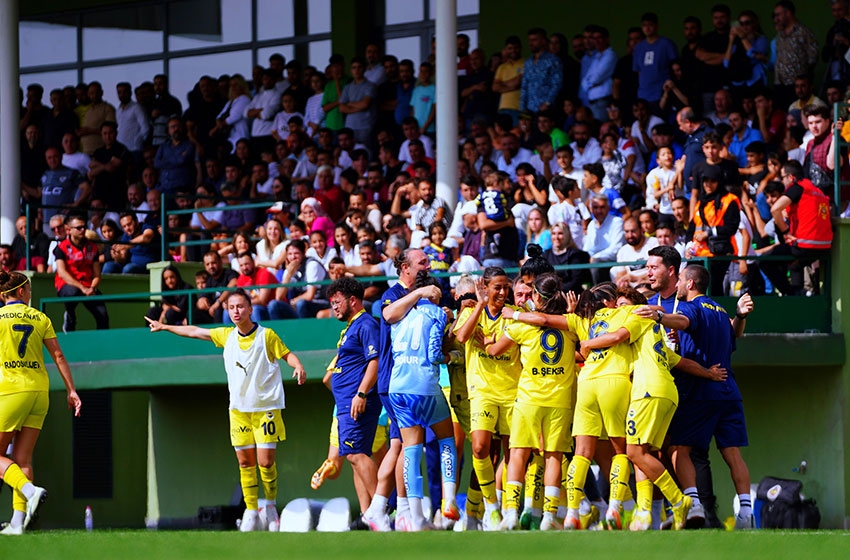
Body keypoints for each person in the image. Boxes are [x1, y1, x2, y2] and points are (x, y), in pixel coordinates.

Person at [146, 288, 307, 532]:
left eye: (240, 306)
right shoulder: (226, 335)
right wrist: (165, 327)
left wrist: (298, 366)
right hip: (239, 410)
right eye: (231, 307)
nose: (236, 311)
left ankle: (270, 506)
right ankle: (251, 511)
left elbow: (288, 355)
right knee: (245, 462)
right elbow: (195, 331)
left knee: (265, 462)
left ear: (250, 309)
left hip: (266, 409)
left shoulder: (267, 336)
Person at [584, 287, 727, 531]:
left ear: (638, 308)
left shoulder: (636, 320)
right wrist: (708, 373)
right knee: (645, 453)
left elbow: (616, 336)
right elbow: (680, 362)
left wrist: (587, 343)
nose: (619, 310)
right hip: (667, 392)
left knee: (634, 453)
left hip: (647, 391)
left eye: (623, 305)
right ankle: (645, 512)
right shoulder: (653, 331)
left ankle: (679, 501)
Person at [640, 264, 756, 529]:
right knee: (733, 454)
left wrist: (659, 317)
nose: (678, 284)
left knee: (679, 449)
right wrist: (740, 315)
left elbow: (683, 321)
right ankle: (746, 514)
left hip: (700, 390)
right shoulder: (721, 311)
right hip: (729, 391)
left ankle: (693, 505)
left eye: (680, 280)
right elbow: (734, 334)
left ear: (690, 283)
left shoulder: (691, 307)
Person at [486, 273, 575, 531]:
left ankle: (511, 514)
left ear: (536, 295)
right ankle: (548, 517)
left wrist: (490, 342)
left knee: (518, 454)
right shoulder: (570, 324)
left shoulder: (521, 325)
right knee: (554, 457)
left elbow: (495, 351)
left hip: (529, 398)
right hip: (559, 400)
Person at [0, 271, 81, 535]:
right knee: (22, 459)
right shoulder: (40, 317)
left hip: (10, 390)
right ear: (21, 291)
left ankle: (29, 490)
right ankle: (17, 523)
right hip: (39, 390)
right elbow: (58, 356)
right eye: (29, 290)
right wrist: (71, 390)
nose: (30, 294)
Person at [388, 273, 459, 531]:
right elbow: (434, 354)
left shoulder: (400, 312)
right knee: (446, 439)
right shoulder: (437, 313)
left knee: (411, 450)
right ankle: (449, 501)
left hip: (398, 387)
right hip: (424, 385)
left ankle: (416, 518)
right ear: (434, 292)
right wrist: (453, 355)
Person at [453, 267, 521, 531]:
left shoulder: (513, 314)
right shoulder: (472, 311)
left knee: (512, 452)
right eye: (497, 287)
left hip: (512, 391)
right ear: (485, 287)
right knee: (480, 448)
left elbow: (503, 343)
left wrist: (491, 341)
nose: (503, 292)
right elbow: (461, 336)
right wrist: (480, 305)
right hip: (481, 391)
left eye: (506, 287)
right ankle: (491, 508)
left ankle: (510, 509)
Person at [326, 278, 381, 517]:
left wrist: (361, 393)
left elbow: (375, 362)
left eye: (337, 302)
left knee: (354, 454)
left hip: (357, 402)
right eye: (332, 303)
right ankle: (371, 513)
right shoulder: (350, 327)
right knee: (356, 455)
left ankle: (382, 509)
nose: (334, 307)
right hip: (346, 403)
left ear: (353, 300)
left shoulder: (366, 324)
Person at [54, 214, 108, 332]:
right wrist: (82, 288)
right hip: (67, 285)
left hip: (88, 285)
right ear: (69, 230)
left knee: (102, 314)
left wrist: (92, 288)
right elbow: (62, 273)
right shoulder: (61, 248)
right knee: (72, 292)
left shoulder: (92, 247)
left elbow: (97, 273)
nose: (83, 230)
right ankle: (69, 318)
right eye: (79, 228)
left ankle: (102, 340)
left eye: (84, 227)